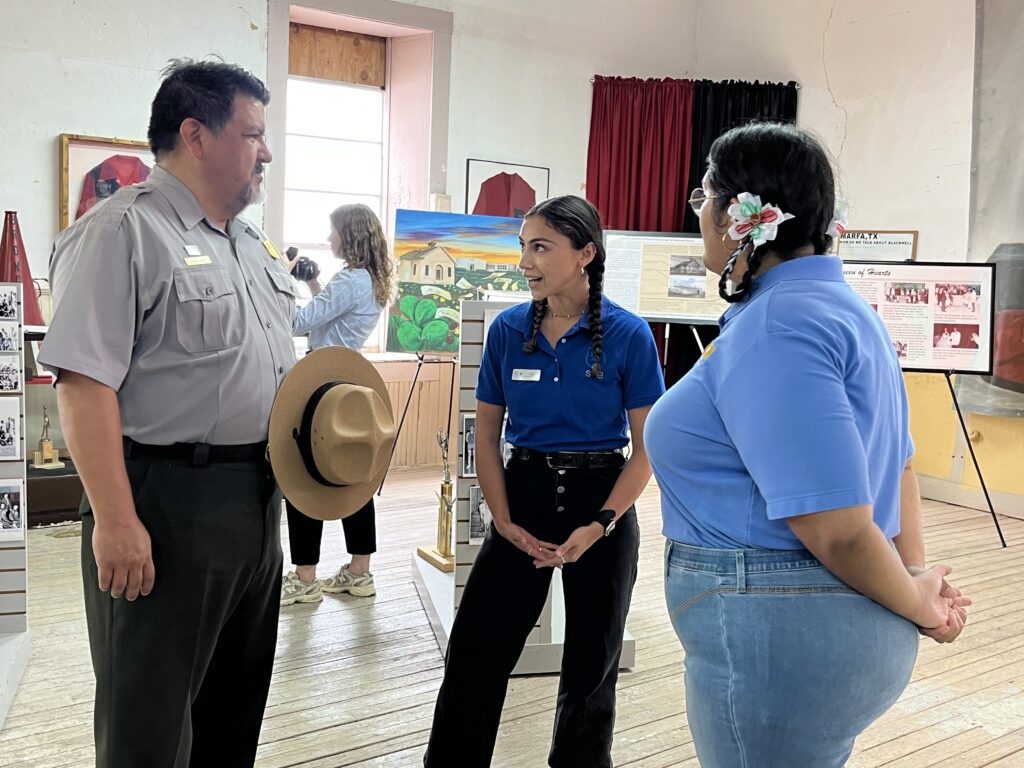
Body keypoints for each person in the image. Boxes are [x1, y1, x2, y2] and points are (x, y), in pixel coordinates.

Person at [645, 122, 971, 768]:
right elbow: (900, 467)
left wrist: (918, 602)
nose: (698, 210)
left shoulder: (779, 323)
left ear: (744, 218)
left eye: (704, 194)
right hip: (809, 628)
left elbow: (839, 527)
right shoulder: (846, 312)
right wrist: (910, 575)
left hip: (777, 632)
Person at [38, 60, 294, 768]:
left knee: (231, 715)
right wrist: (117, 522)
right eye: (253, 134)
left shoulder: (248, 244)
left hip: (254, 502)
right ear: (196, 135)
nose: (266, 152)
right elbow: (84, 384)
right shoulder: (122, 232)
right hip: (164, 502)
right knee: (148, 726)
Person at [424, 195, 666, 768]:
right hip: (524, 492)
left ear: (585, 253)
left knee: (590, 670)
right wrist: (503, 520)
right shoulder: (509, 331)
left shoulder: (630, 336)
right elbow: (485, 435)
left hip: (601, 502)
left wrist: (602, 524)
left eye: (540, 247)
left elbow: (647, 447)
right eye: (522, 247)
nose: (525, 262)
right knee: (475, 656)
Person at [279, 203, 396, 606]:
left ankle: (305, 577)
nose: (329, 238)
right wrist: (313, 284)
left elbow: (297, 323)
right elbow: (332, 318)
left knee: (305, 476)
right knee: (353, 478)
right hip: (348, 383)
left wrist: (283, 274)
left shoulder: (349, 281)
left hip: (320, 385)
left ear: (350, 234)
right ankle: (359, 572)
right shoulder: (370, 279)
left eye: (333, 231)